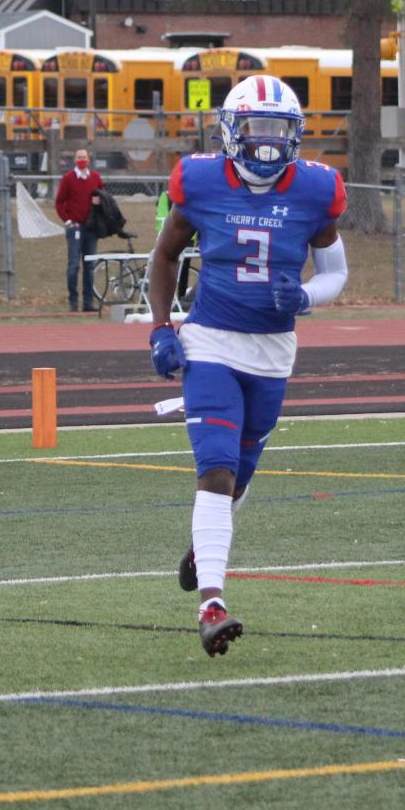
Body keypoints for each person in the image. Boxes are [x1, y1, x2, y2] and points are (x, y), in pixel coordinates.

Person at [146, 75, 348, 658]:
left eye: (277, 129)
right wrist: (162, 327)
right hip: (210, 342)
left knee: (239, 474)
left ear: (296, 134)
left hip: (273, 352)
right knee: (216, 469)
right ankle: (212, 604)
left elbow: (335, 272)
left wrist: (306, 297)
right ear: (231, 130)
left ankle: (201, 548)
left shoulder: (316, 190)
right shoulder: (201, 180)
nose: (265, 141)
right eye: (255, 127)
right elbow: (165, 253)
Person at [54, 147, 104, 312]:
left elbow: (103, 196)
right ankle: (73, 301)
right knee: (74, 265)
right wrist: (68, 220)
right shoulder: (68, 178)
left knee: (89, 266)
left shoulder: (95, 177)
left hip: (91, 229)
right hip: (75, 227)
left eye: (84, 157)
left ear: (88, 160)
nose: (82, 159)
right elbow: (60, 202)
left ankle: (88, 302)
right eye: (79, 157)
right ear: (75, 160)